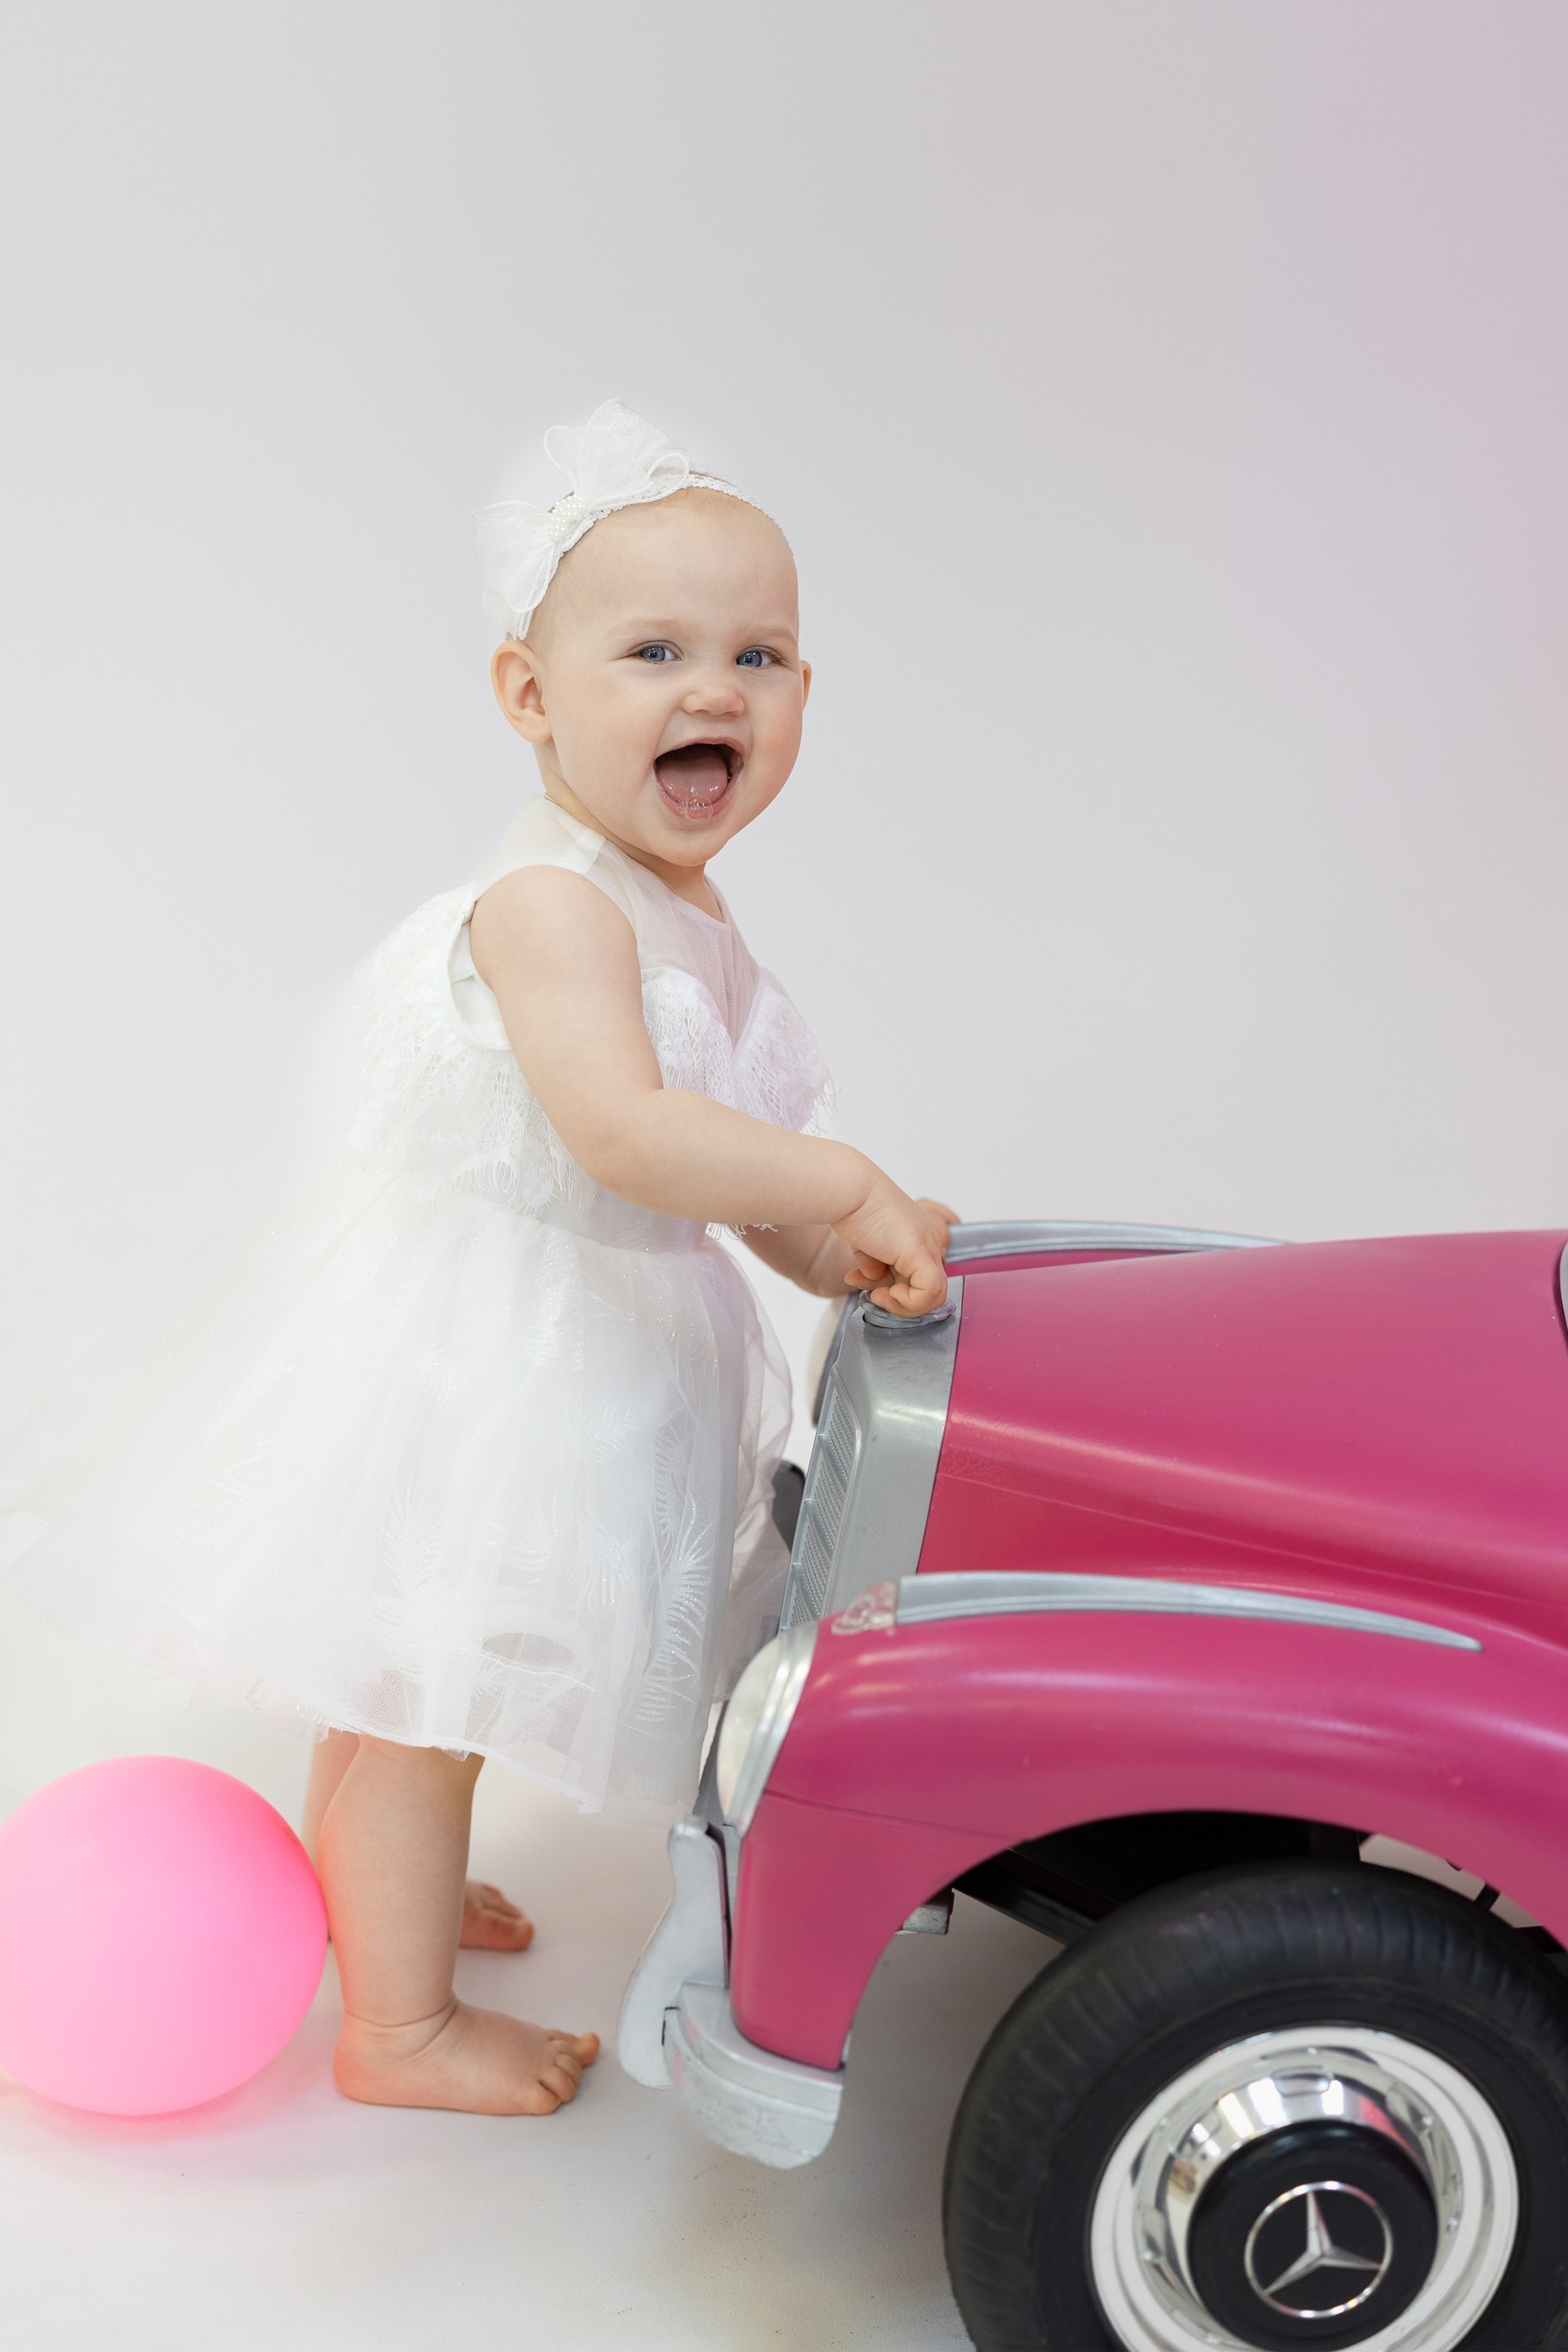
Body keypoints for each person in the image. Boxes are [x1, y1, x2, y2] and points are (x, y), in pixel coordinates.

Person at [0, 402, 956, 2117]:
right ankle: (399, 2030)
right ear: (530, 693)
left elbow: (728, 1169)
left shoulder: (690, 912)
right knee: (415, 1695)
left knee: (424, 1680)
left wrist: (839, 1249)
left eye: (758, 656)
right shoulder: (551, 901)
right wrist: (841, 1176)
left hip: (596, 1345)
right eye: (654, 651)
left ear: (808, 694)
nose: (715, 689)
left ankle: (396, 1902)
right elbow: (628, 1134)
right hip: (488, 1353)